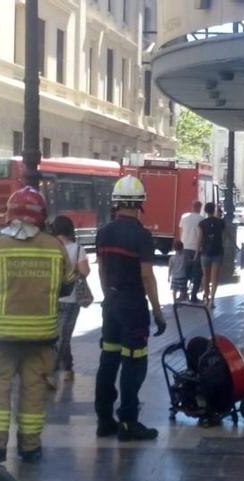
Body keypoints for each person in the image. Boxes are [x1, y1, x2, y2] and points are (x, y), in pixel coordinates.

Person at [0, 186, 77, 465]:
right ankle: (30, 448)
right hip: (42, 337)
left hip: (2, 337)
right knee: (33, 393)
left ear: (11, 213)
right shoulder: (55, 247)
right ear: (41, 216)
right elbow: (68, 286)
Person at [94, 175, 167, 441]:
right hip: (133, 306)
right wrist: (158, 313)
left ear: (116, 202)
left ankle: (104, 420)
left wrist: (108, 297)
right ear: (140, 204)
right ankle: (128, 422)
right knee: (134, 362)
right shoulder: (141, 235)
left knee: (109, 360)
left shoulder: (104, 232)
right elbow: (147, 276)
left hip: (111, 303)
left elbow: (101, 269)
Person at [52, 215, 90, 382]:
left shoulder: (49, 247)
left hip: (52, 297)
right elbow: (85, 272)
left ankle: (63, 368)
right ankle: (60, 369)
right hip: (72, 298)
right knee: (64, 336)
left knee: (58, 336)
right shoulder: (77, 249)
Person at [197, 202, 225, 308]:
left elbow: (200, 238)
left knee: (205, 276)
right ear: (214, 210)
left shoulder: (202, 223)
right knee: (215, 278)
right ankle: (212, 299)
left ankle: (206, 298)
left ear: (205, 210)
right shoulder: (221, 222)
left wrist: (196, 252)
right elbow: (223, 235)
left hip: (205, 252)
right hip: (217, 251)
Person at [178, 201, 204, 302]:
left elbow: (181, 232)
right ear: (200, 208)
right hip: (197, 249)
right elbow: (202, 236)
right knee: (197, 273)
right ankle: (193, 296)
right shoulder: (202, 219)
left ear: (192, 207)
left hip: (185, 247)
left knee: (184, 272)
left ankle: (183, 294)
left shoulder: (184, 217)